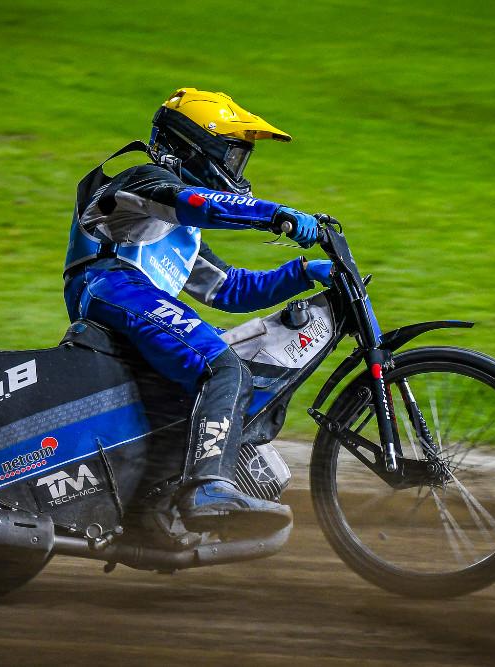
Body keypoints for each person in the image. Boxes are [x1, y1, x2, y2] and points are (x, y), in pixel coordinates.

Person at [63, 88, 333, 530]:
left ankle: (161, 492)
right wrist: (273, 214)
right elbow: (197, 204)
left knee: (209, 377)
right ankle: (208, 485)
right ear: (195, 148)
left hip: (132, 298)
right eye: (230, 155)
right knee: (224, 367)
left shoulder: (179, 234)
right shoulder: (141, 179)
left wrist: (304, 272)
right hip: (109, 284)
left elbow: (230, 289)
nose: (236, 169)